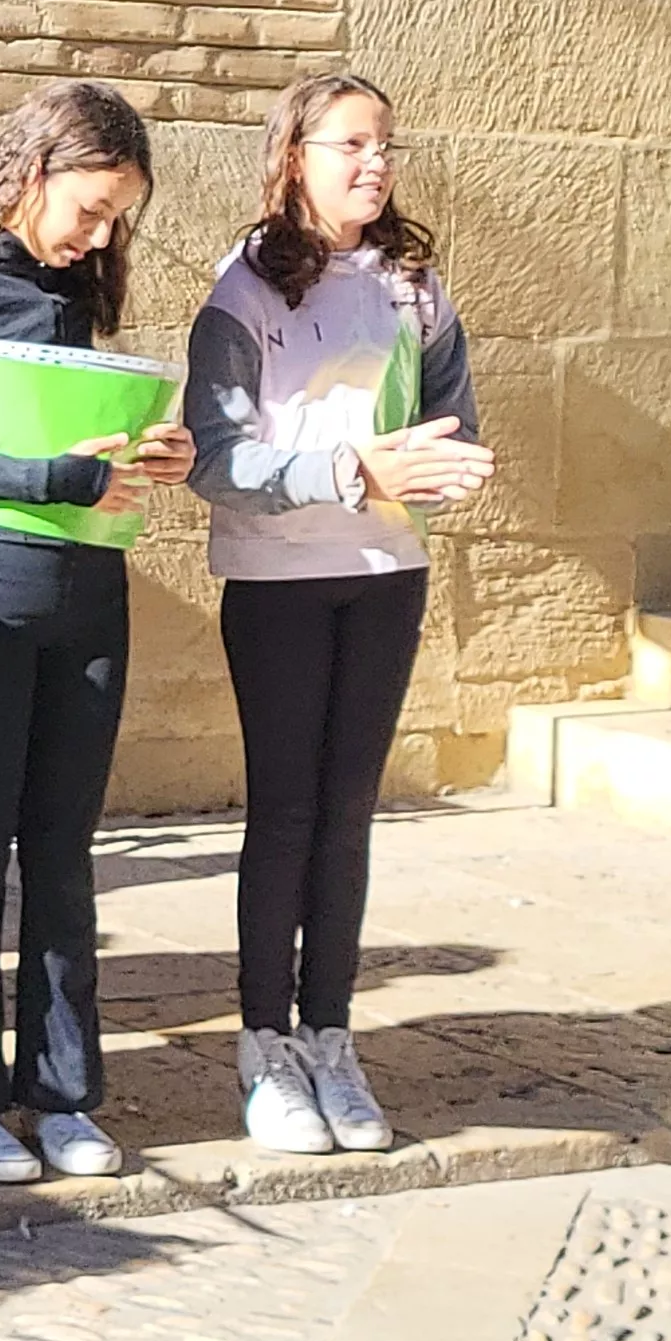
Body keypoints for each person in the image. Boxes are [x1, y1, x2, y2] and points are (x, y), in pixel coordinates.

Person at [0, 80, 194, 1187]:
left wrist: (155, 459)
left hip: (91, 586)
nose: (99, 236)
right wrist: (61, 473)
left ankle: (60, 1094)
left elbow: (89, 443)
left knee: (63, 849)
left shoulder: (76, 289)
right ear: (32, 171)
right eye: (91, 209)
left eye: (119, 220)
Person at [186, 73, 490, 1158]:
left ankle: (331, 1037)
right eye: (351, 144)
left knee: (351, 813)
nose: (375, 164)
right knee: (287, 814)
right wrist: (349, 469)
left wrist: (451, 469)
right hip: (277, 580)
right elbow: (220, 465)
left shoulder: (415, 285)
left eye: (386, 146)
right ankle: (264, 1047)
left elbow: (451, 416)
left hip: (385, 572)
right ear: (296, 154)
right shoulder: (244, 292)